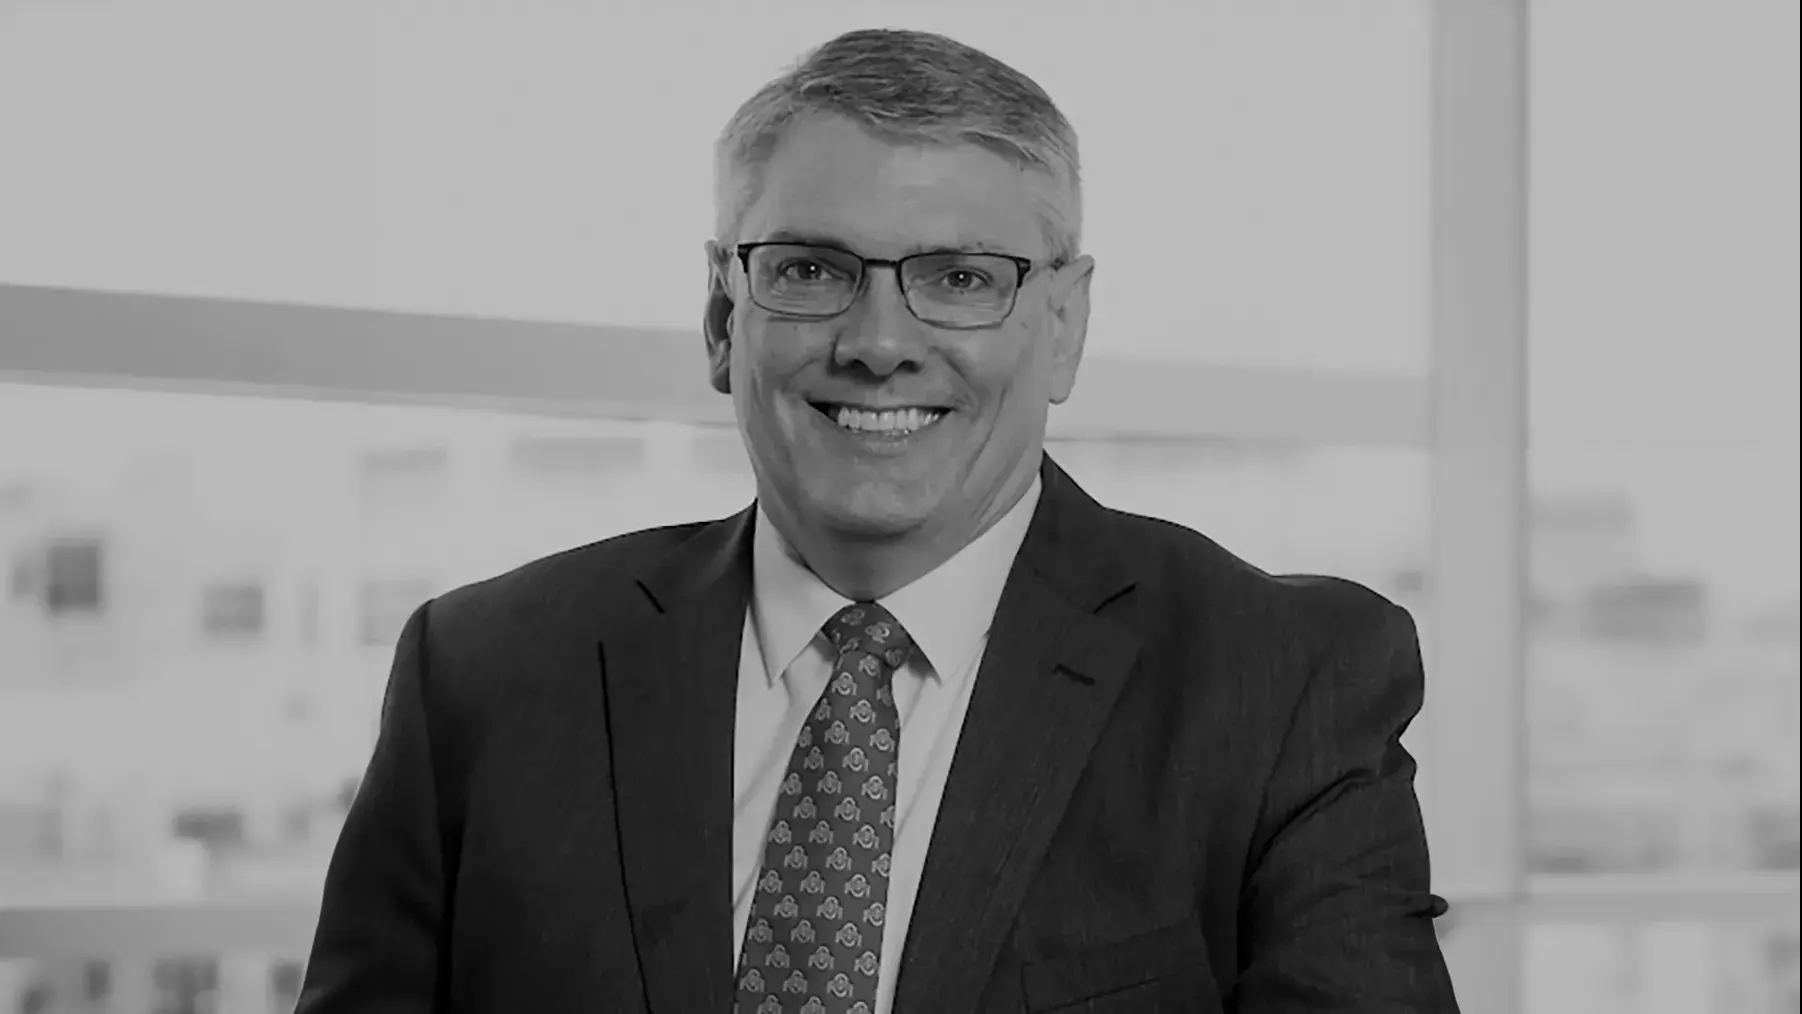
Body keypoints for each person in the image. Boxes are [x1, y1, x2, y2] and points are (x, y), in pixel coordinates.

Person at [295, 26, 1461, 1014]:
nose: (878, 342)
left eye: (959, 277)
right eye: (810, 271)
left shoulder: (1277, 687)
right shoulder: (482, 677)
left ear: (1061, 326)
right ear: (720, 316)